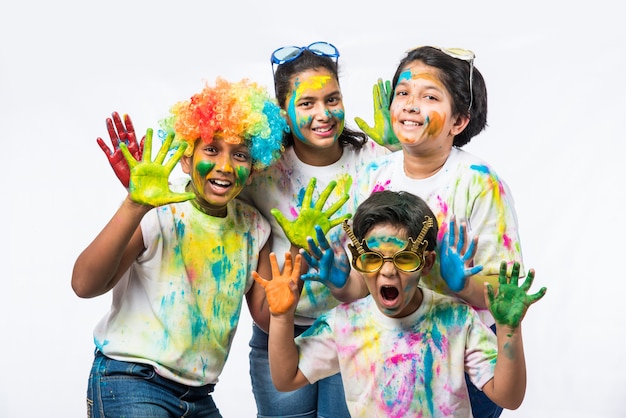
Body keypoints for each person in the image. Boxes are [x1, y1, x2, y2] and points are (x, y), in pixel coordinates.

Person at [71, 78, 288, 418]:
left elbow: (264, 316)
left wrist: (294, 272)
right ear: (186, 158)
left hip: (199, 397)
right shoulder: (160, 210)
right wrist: (134, 204)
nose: (225, 166)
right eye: (211, 150)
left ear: (255, 163)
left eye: (240, 154)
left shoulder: (254, 227)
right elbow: (84, 285)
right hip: (132, 379)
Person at [254, 190, 547, 417]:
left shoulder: (457, 319)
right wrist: (281, 317)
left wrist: (510, 329)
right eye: (373, 259)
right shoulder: (344, 324)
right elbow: (286, 379)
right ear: (358, 260)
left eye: (404, 259)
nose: (388, 271)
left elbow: (509, 397)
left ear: (427, 262)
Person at [355, 46, 524, 417]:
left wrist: (461, 284)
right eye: (403, 93)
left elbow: (506, 293)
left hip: (463, 359)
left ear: (459, 121)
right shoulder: (372, 177)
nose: (411, 105)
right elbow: (360, 274)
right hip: (389, 350)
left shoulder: (479, 184)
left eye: (429, 96)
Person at [238, 41, 394, 418]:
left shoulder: (373, 159)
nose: (323, 114)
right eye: (307, 103)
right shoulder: (262, 172)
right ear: (283, 113)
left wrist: (400, 152)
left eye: (332, 99)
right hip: (281, 331)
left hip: (356, 329)